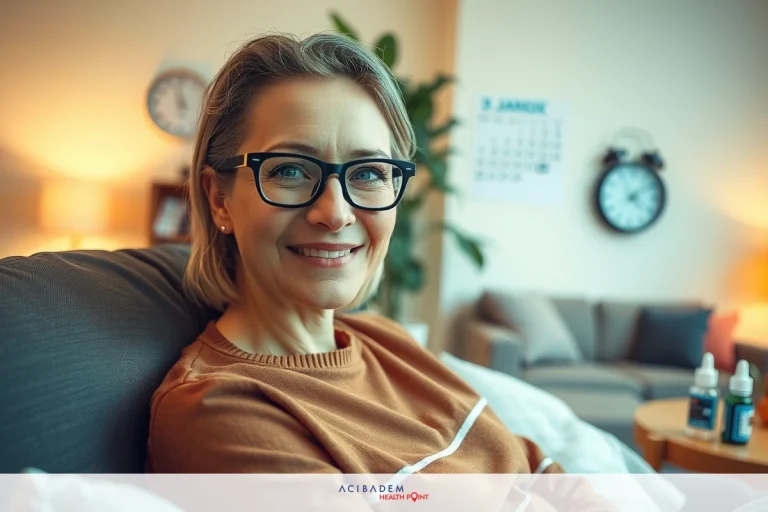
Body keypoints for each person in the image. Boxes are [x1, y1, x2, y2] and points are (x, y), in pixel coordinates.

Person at [145, 33, 590, 494]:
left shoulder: (388, 340)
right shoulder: (220, 408)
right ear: (219, 199)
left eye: (369, 173)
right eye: (290, 170)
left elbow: (539, 469)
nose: (335, 213)